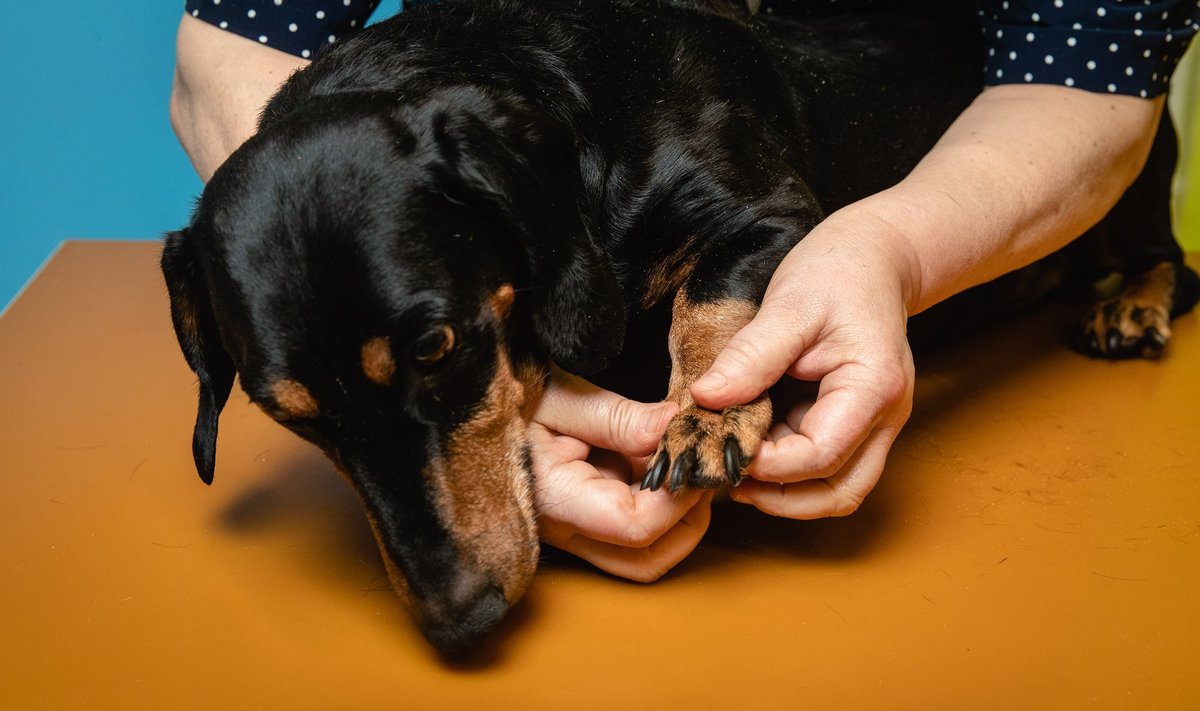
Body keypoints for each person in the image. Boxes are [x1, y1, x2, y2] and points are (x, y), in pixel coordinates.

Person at [171, 0, 1199, 582]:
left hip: (987, 167)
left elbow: (1098, 76)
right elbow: (232, 47)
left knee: (1124, 230)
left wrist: (890, 250)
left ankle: (1156, 267)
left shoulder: (689, 146)